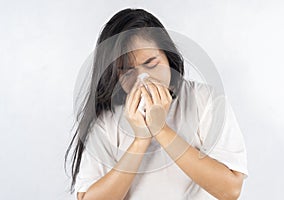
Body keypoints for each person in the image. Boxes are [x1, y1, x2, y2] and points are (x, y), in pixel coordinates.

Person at [65, 8, 248, 200]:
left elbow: (230, 190)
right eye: (127, 71)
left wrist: (161, 130)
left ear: (168, 56)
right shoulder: (108, 121)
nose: (142, 79)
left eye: (151, 64)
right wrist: (140, 140)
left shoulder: (205, 100)